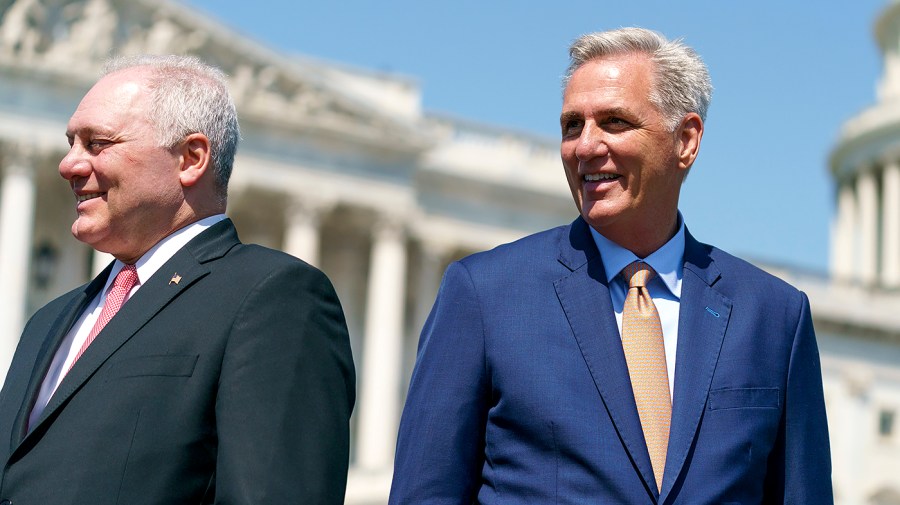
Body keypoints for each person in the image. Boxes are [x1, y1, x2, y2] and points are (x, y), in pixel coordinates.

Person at [390, 27, 832, 504]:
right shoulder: (484, 294)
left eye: (614, 122)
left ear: (686, 140)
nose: (584, 146)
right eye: (571, 126)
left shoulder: (774, 317)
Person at [0, 55, 355, 504]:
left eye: (97, 143)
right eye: (71, 142)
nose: (68, 164)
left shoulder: (273, 298)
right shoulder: (49, 321)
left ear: (191, 158)